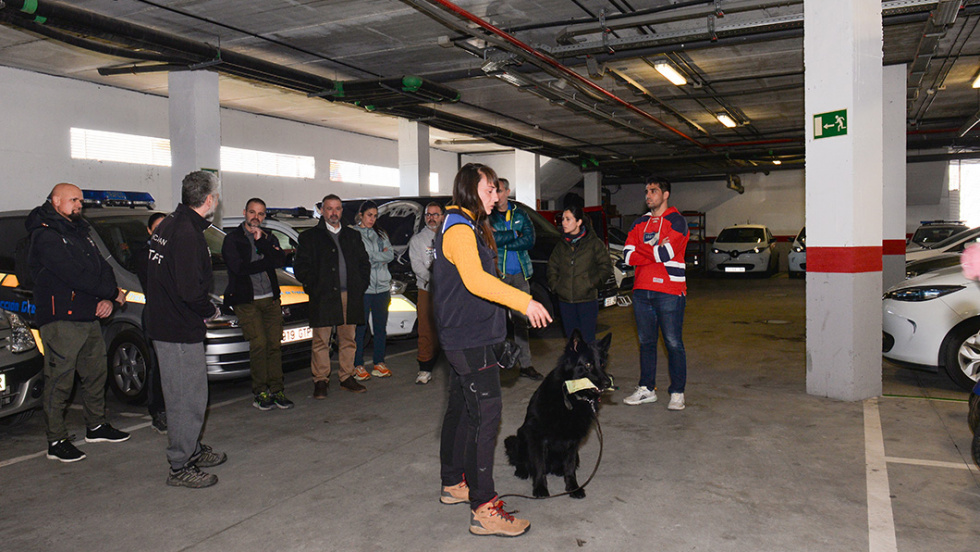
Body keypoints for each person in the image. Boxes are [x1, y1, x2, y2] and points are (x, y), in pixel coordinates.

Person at [434, 163, 552, 537]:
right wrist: (524, 302)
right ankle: (484, 507)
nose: (496, 196)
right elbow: (476, 281)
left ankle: (453, 482)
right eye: (489, 189)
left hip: (466, 335)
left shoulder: (466, 224)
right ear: (470, 189)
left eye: (497, 190)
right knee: (486, 418)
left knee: (461, 410)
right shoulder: (458, 228)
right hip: (469, 339)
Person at [26, 183, 131, 463]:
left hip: (87, 315)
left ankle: (96, 426)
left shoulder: (80, 230)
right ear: (55, 201)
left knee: (96, 373)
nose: (79, 205)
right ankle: (56, 440)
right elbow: (73, 274)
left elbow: (103, 267)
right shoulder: (46, 235)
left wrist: (108, 298)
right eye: (73, 200)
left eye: (80, 201)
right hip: (61, 318)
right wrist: (111, 292)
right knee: (60, 380)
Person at [146, 171, 228, 488]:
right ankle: (180, 465)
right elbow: (190, 290)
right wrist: (209, 310)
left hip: (169, 322)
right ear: (209, 199)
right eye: (215, 196)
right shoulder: (187, 233)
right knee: (186, 399)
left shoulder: (170, 223)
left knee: (187, 395)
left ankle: (191, 449)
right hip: (177, 328)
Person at [293, 194, 371, 398]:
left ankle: (347, 377)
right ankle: (321, 380)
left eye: (337, 208)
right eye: (329, 208)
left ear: (342, 211)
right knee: (321, 341)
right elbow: (301, 267)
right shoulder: (309, 237)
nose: (333, 213)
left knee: (348, 340)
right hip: (323, 297)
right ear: (322, 211)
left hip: (349, 296)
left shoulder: (353, 236)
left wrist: (360, 285)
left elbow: (364, 263)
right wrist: (314, 287)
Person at [622, 177, 689, 411]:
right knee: (646, 342)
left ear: (666, 194)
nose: (648, 195)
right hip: (641, 291)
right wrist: (654, 248)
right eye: (646, 192)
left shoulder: (677, 221)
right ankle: (646, 388)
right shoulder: (639, 223)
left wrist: (643, 249)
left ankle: (677, 392)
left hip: (669, 291)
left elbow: (667, 253)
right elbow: (627, 256)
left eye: (653, 191)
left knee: (673, 343)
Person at [222, 198, 293, 411]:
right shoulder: (232, 239)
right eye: (252, 212)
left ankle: (277, 390)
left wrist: (262, 244)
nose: (256, 217)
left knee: (274, 345)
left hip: (271, 299)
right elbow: (239, 269)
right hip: (247, 301)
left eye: (261, 214)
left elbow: (279, 261)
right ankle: (260, 391)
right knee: (259, 344)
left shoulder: (268, 237)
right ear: (244, 212)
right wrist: (266, 261)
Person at [488, 177, 542, 380]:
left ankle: (525, 365)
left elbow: (530, 240)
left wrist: (503, 241)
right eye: (494, 191)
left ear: (507, 192)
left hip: (520, 274)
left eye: (500, 191)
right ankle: (495, 364)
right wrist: (514, 234)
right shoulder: (489, 215)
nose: (497, 195)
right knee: (497, 322)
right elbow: (490, 240)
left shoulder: (520, 213)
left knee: (521, 321)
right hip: (499, 276)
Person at [547, 205, 613, 343]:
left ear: (579, 222)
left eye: (568, 219)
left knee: (588, 341)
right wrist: (556, 286)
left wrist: (591, 283)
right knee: (572, 342)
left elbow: (606, 267)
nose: (563, 223)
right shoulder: (561, 245)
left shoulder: (594, 244)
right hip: (566, 302)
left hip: (587, 301)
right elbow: (552, 267)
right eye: (563, 219)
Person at [352, 200, 395, 381]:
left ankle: (379, 362)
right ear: (361, 215)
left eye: (375, 216)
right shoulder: (353, 234)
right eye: (369, 215)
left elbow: (390, 254)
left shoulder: (381, 233)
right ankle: (358, 364)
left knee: (380, 328)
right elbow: (359, 258)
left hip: (382, 288)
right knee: (360, 329)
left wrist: (372, 256)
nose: (372, 219)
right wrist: (379, 256)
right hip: (364, 289)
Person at [133, 211, 167, 433]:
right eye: (157, 229)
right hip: (156, 315)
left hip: (176, 316)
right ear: (149, 231)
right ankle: (158, 411)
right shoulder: (144, 255)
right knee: (158, 364)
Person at [408, 202, 444, 384]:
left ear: (442, 217)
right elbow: (417, 266)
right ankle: (425, 368)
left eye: (436, 214)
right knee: (426, 329)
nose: (432, 218)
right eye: (429, 215)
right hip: (427, 290)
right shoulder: (417, 240)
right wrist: (434, 279)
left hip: (448, 292)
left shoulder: (449, 236)